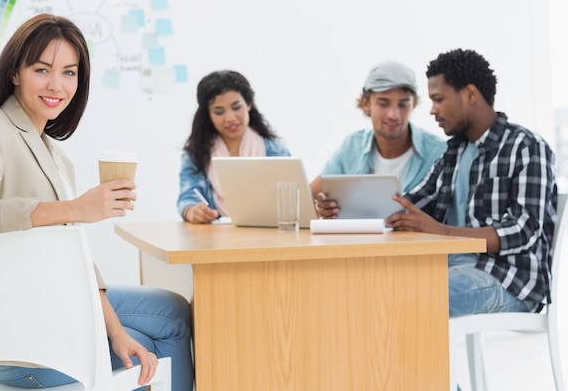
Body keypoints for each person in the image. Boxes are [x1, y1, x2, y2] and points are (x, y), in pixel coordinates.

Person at [0, 13, 193, 391]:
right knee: (155, 345)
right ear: (15, 73)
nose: (57, 85)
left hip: (55, 305)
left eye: (69, 72)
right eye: (42, 69)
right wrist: (75, 209)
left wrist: (114, 332)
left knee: (173, 310)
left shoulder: (56, 156)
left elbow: (76, 263)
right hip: (19, 340)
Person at [386, 48, 557, 318]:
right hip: (453, 265)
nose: (432, 110)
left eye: (438, 99)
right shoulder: (454, 153)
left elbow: (524, 230)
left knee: (415, 300)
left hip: (508, 278)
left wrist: (441, 232)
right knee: (377, 288)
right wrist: (348, 208)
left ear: (470, 94)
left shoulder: (526, 146)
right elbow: (411, 204)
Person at [311, 60, 446, 218]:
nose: (393, 115)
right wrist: (321, 208)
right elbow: (310, 197)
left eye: (403, 105)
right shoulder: (352, 147)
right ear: (366, 103)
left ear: (414, 104)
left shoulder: (439, 152)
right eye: (383, 104)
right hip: (361, 242)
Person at [178, 70, 290, 223]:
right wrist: (191, 211)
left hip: (266, 239)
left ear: (249, 104)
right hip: (213, 240)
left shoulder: (277, 152)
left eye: (236, 107)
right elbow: (187, 196)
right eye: (219, 112)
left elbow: (292, 203)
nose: (230, 118)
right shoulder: (196, 153)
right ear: (208, 115)